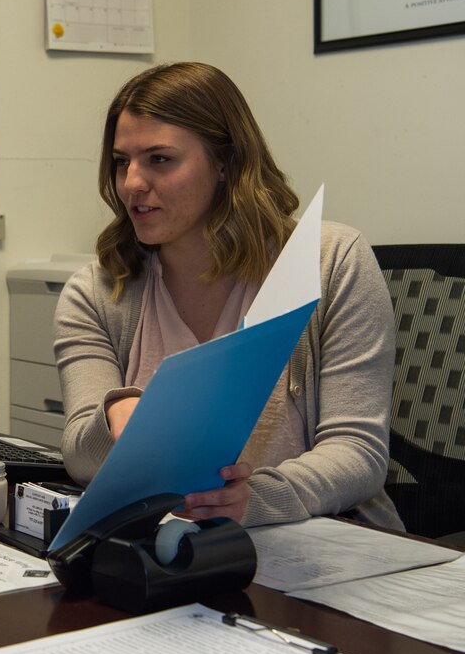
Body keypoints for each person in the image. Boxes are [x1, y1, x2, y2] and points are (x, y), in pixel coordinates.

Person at [56, 62, 403, 530]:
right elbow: (81, 455)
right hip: (177, 552)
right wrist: (115, 411)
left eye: (159, 159)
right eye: (122, 161)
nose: (132, 184)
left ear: (224, 164)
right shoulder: (97, 292)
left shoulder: (333, 261)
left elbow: (358, 452)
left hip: (327, 546)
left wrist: (253, 500)